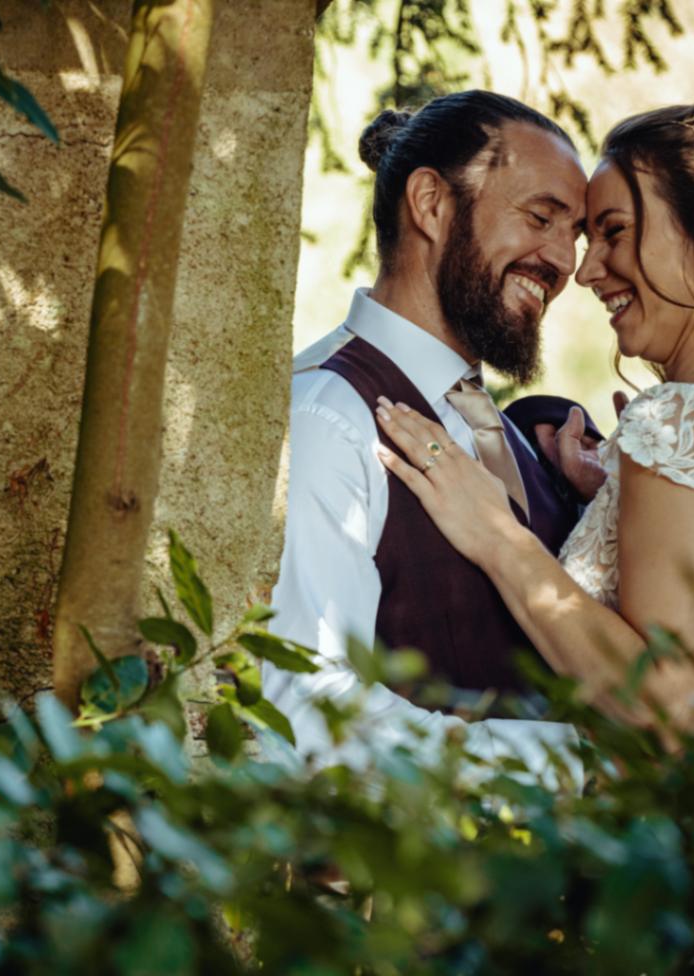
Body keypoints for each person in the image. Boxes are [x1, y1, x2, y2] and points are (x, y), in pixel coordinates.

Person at [373, 105, 694, 767]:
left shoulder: (681, 420)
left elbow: (668, 711)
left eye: (613, 232)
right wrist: (615, 502)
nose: (585, 270)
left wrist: (498, 537)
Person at [265, 90, 604, 781]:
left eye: (575, 234)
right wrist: (581, 767)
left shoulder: (510, 435)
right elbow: (309, 713)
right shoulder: (327, 416)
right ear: (430, 204)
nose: (563, 261)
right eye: (541, 218)